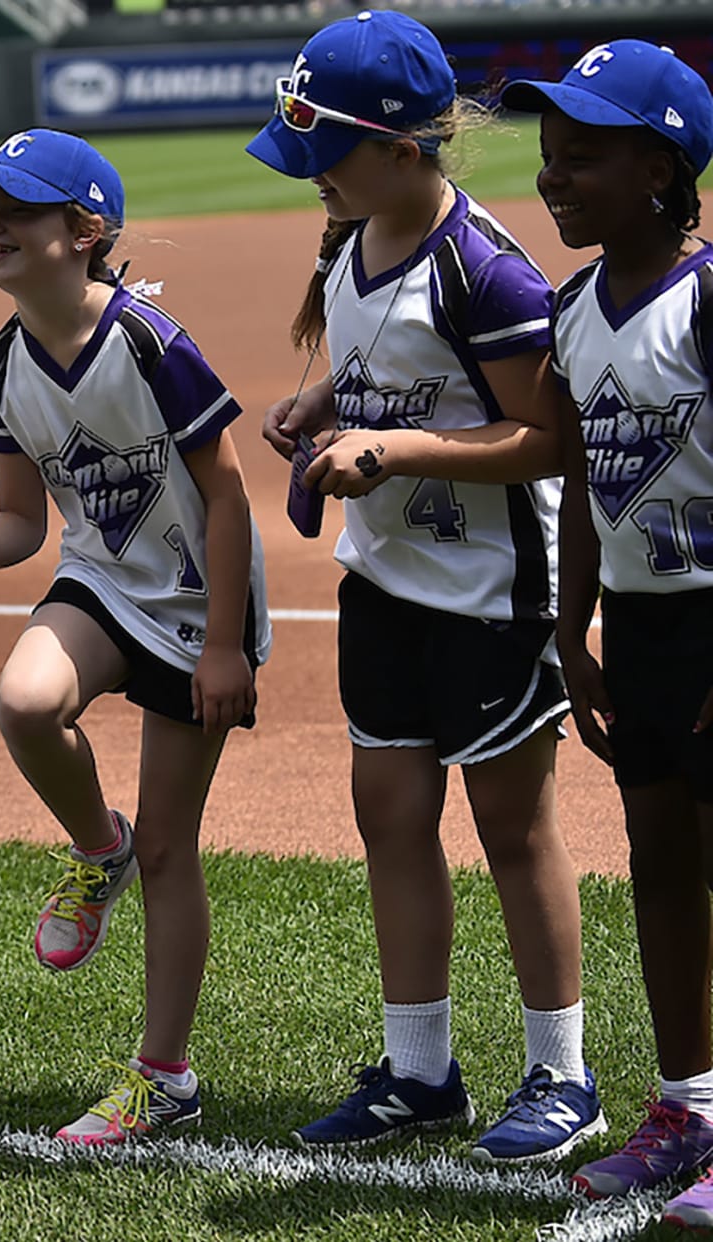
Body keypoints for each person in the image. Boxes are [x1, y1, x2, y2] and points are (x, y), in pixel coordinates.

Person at [247, 10, 601, 1164]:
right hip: (387, 586)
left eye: (327, 155)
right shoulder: (349, 244)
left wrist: (390, 453)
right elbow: (386, 376)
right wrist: (322, 412)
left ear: (404, 149)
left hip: (492, 593)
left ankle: (562, 1076)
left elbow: (545, 438)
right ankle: (419, 1073)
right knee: (390, 816)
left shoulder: (487, 269)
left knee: (511, 824)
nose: (312, 179)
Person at [0, 130, 268, 1144]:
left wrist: (222, 644)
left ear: (85, 232)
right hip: (101, 585)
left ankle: (163, 1079)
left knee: (173, 850)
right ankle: (94, 846)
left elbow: (229, 491)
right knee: (26, 702)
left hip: (195, 602)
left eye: (17, 209)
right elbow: (26, 522)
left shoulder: (151, 343)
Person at [503, 43, 713, 1214]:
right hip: (636, 629)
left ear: (664, 168)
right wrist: (571, 632)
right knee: (665, 867)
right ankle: (691, 1106)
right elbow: (584, 483)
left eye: (583, 157)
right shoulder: (574, 307)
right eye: (548, 158)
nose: (555, 179)